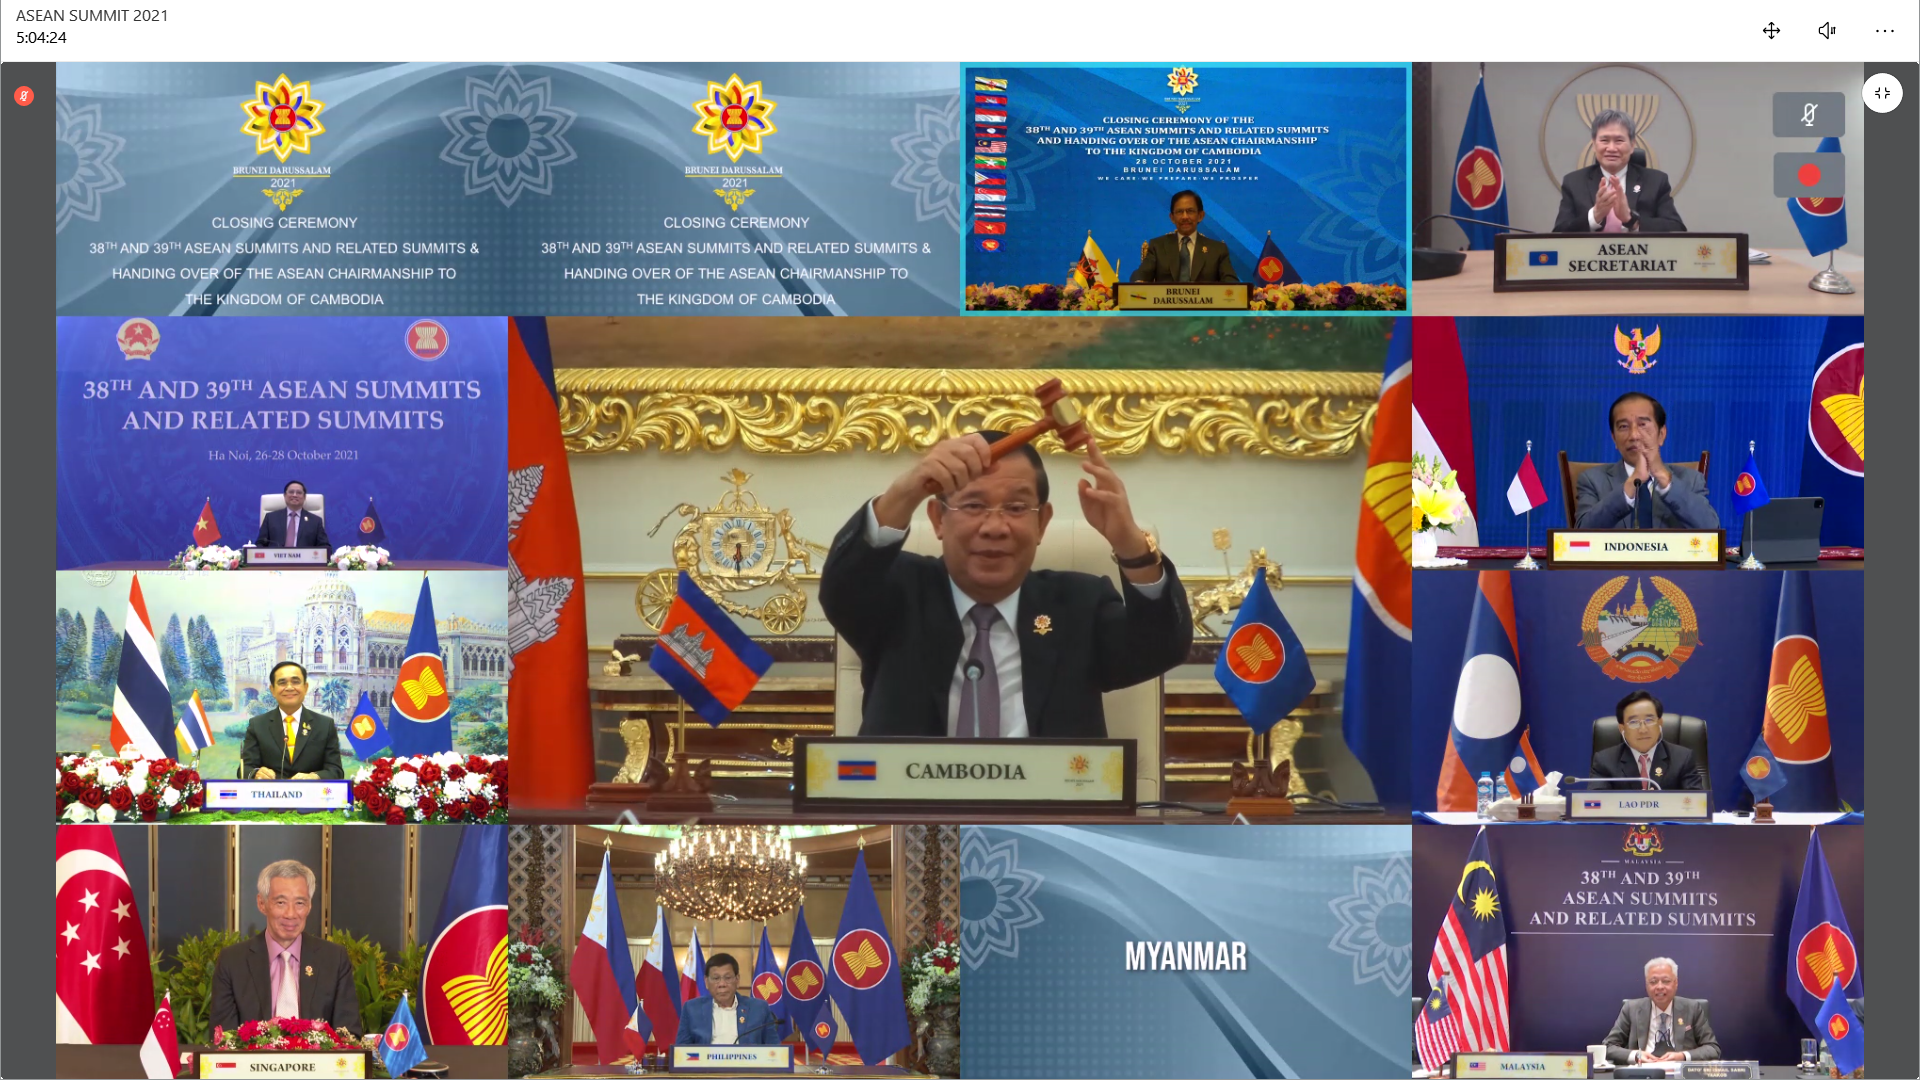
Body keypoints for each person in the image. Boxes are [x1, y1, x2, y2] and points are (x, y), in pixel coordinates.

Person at [819, 430, 1191, 739]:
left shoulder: (1079, 606)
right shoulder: (897, 592)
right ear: (937, 518)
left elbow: (1161, 647)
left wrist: (1132, 548)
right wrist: (905, 491)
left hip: (1049, 823)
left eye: (1016, 509)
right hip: (910, 819)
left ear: (1042, 523)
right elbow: (842, 585)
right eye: (974, 506)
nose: (995, 527)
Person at [210, 860, 362, 1034]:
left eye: (300, 903)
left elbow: (349, 1036)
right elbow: (222, 1040)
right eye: (281, 903)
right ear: (262, 903)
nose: (291, 914)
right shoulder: (233, 961)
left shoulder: (334, 959)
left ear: (310, 905)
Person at [1573, 392, 1718, 530]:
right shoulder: (1592, 480)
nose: (1634, 435)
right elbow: (1581, 533)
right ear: (1614, 438)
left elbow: (1712, 529)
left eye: (1642, 425)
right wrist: (1631, 485)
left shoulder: (1690, 479)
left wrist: (1664, 479)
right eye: (1623, 426)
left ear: (1661, 434)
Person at [1552, 109, 1686, 233]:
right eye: (1604, 140)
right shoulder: (1574, 182)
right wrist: (1595, 215)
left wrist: (1630, 219)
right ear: (1593, 144)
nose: (1611, 148)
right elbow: (1559, 233)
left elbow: (1676, 229)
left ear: (1632, 145)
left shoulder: (1656, 181)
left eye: (1619, 140)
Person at [1603, 957, 1721, 1064]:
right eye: (1653, 982)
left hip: (1679, 1073)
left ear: (1676, 983)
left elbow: (1712, 1049)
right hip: (1643, 1073)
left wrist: (1682, 1056)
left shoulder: (1692, 1008)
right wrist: (1636, 1055)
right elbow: (1608, 1046)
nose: (1659, 987)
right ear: (1646, 985)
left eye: (1666, 981)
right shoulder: (1631, 1008)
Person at [240, 662, 346, 780]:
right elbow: (245, 769)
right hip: (271, 796)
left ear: (305, 688)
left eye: (295, 682)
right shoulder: (257, 725)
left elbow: (336, 771)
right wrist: (256, 773)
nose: (289, 687)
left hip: (311, 796)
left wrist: (315, 777)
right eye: (282, 683)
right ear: (272, 690)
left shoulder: (325, 725)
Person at [1590, 690, 1705, 791]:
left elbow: (1697, 804)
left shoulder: (1683, 758)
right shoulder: (1604, 761)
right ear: (1622, 729)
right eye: (1634, 722)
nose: (1643, 729)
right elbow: (1597, 806)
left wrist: (1657, 803)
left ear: (1660, 723)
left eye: (1649, 720)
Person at [1130, 190, 1239, 283]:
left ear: (1200, 216)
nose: (1185, 217)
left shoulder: (1217, 250)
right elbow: (1141, 274)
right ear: (1172, 217)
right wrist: (1138, 282)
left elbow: (1231, 280)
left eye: (1190, 211)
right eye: (1179, 212)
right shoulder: (1158, 246)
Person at [676, 954, 782, 1046]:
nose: (722, 984)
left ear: (737, 980)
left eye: (727, 978)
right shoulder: (692, 1009)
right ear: (706, 982)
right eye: (716, 978)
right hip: (707, 1068)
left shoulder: (759, 1008)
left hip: (746, 1068)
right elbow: (681, 1052)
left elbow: (774, 1050)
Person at [254, 481, 331, 549]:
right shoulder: (270, 518)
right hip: (275, 563)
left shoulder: (315, 521)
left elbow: (324, 547)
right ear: (284, 495)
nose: (294, 495)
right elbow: (260, 544)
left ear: (304, 497)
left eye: (299, 493)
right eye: (291, 492)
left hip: (305, 564)